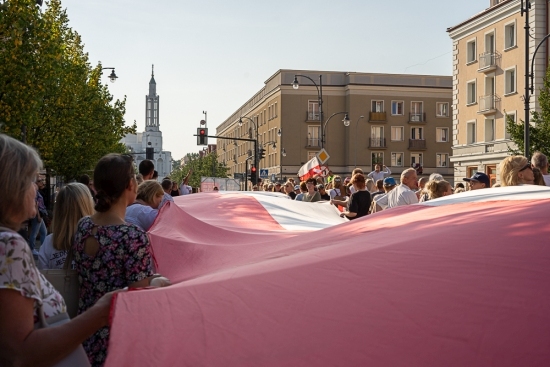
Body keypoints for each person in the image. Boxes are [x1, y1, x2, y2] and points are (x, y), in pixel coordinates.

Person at [0, 134, 117, 367]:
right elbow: (20, 352)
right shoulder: (9, 246)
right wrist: (99, 314)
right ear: (13, 186)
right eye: (32, 180)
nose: (37, 190)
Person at [74, 153, 170, 366]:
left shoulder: (83, 226)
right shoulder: (132, 236)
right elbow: (138, 294)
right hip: (119, 338)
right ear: (130, 185)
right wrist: (157, 281)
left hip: (84, 333)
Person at [38, 183, 95, 270]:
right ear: (88, 206)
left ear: (58, 210)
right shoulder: (99, 240)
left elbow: (43, 276)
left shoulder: (49, 242)